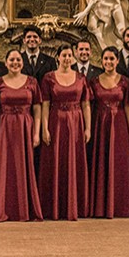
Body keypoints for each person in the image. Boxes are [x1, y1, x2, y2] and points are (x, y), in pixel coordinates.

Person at [0, 49, 44, 222]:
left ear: (22, 62)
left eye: (18, 60)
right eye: (11, 59)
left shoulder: (32, 82)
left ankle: (24, 209)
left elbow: (37, 108)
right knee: (5, 166)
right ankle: (2, 208)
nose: (15, 63)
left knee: (24, 165)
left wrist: (36, 133)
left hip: (25, 127)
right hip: (5, 127)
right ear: (5, 63)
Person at [39, 45, 92, 220]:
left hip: (76, 122)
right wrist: (44, 128)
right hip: (56, 121)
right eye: (64, 55)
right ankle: (53, 206)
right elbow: (45, 104)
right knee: (55, 162)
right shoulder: (48, 78)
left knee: (73, 162)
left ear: (74, 57)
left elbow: (86, 104)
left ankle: (73, 206)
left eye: (70, 55)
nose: (67, 58)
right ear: (58, 57)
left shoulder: (81, 78)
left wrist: (88, 128)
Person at [90, 47, 129, 218]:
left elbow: (128, 106)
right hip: (100, 123)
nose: (108, 62)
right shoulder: (93, 81)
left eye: (111, 59)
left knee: (119, 162)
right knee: (101, 161)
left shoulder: (125, 81)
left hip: (120, 123)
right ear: (101, 61)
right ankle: (101, 205)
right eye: (106, 59)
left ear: (117, 61)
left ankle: (119, 205)